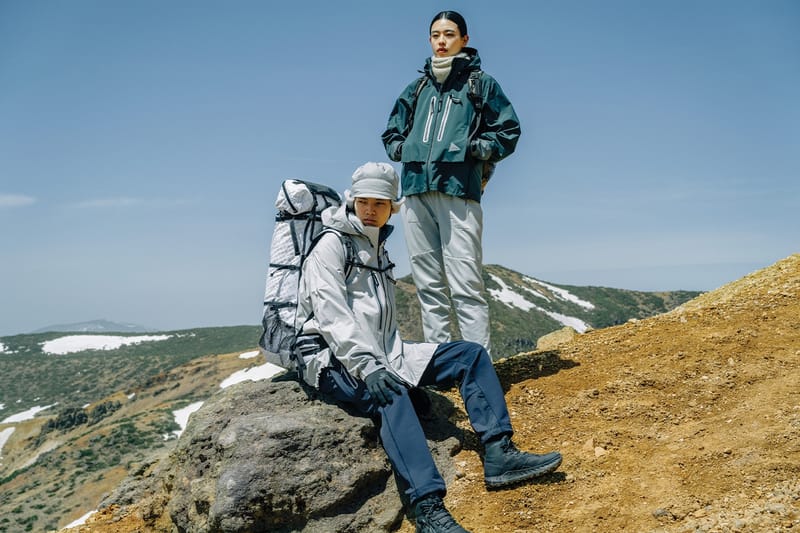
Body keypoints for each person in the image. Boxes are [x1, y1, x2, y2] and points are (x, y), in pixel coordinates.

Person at [295, 162, 560, 533]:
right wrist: (369, 367)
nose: (371, 211)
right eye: (365, 202)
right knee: (391, 396)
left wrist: (394, 362)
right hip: (331, 356)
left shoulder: (376, 246)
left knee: (469, 355)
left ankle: (499, 453)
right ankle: (427, 508)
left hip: (387, 352)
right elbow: (331, 316)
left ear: (393, 207)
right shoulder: (330, 246)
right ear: (352, 201)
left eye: (381, 204)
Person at [382, 10, 521, 353]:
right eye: (435, 35)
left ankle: (478, 365)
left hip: (459, 192)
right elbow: (390, 134)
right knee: (427, 284)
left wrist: (474, 149)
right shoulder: (417, 88)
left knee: (466, 284)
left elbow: (509, 131)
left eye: (449, 34)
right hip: (415, 192)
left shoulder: (480, 84)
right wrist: (404, 149)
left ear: (464, 40)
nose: (441, 41)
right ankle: (441, 365)